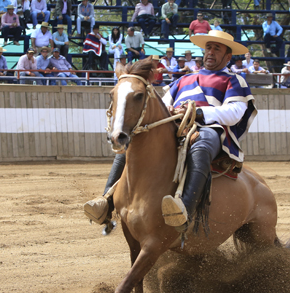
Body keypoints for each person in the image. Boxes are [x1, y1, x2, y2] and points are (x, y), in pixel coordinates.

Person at [84, 30, 257, 232]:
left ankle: (185, 208)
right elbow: (163, 106)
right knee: (132, 144)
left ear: (228, 57)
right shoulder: (183, 80)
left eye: (217, 49)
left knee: (200, 146)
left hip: (210, 129)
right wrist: (171, 112)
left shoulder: (234, 80)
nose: (210, 52)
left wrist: (198, 112)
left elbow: (235, 112)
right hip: (175, 125)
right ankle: (106, 202)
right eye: (208, 47)